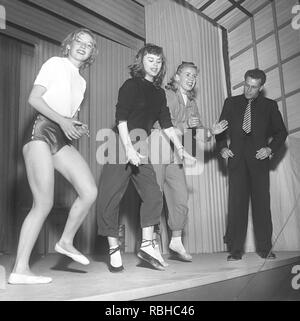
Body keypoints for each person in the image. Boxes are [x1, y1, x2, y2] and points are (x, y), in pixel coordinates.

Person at [8, 29, 98, 284]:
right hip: (40, 131)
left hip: (60, 138)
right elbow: (34, 99)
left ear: (92, 53)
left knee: (89, 191)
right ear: (68, 45)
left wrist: (74, 125)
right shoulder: (55, 64)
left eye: (89, 45)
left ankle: (66, 241)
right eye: (78, 41)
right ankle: (20, 270)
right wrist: (63, 120)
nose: (83, 46)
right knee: (43, 203)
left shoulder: (82, 82)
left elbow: (65, 113)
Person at [97, 44, 196, 273]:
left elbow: (167, 123)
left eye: (158, 61)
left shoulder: (159, 93)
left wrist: (180, 148)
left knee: (153, 194)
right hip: (120, 143)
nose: (154, 64)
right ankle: (113, 249)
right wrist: (128, 148)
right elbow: (121, 118)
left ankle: (147, 245)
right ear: (141, 61)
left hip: (141, 145)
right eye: (150, 59)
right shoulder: (131, 85)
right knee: (110, 197)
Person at [151, 62, 228, 265]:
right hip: (158, 148)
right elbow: (158, 122)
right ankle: (150, 242)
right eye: (187, 74)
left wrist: (212, 131)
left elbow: (199, 134)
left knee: (181, 197)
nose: (191, 78)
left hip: (176, 155)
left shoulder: (192, 104)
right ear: (176, 77)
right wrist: (186, 125)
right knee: (154, 196)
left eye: (194, 75)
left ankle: (176, 240)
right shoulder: (166, 95)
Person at [216, 68, 287, 261]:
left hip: (259, 161)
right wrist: (222, 148)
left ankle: (265, 249)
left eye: (253, 87)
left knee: (262, 206)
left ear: (261, 87)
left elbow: (282, 133)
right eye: (246, 85)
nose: (248, 90)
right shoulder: (230, 103)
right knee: (236, 206)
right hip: (236, 160)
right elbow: (220, 130)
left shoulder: (270, 106)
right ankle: (235, 251)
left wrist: (269, 149)